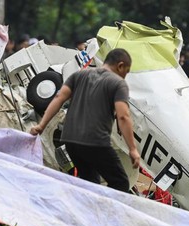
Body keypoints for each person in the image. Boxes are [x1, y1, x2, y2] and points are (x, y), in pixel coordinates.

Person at [30, 48, 140, 192]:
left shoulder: (79, 75)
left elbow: (58, 98)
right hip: (95, 141)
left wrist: (41, 125)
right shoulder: (118, 83)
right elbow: (123, 116)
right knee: (121, 183)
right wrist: (132, 149)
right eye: (126, 71)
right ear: (120, 66)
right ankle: (103, 213)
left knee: (89, 182)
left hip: (70, 140)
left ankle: (86, 210)